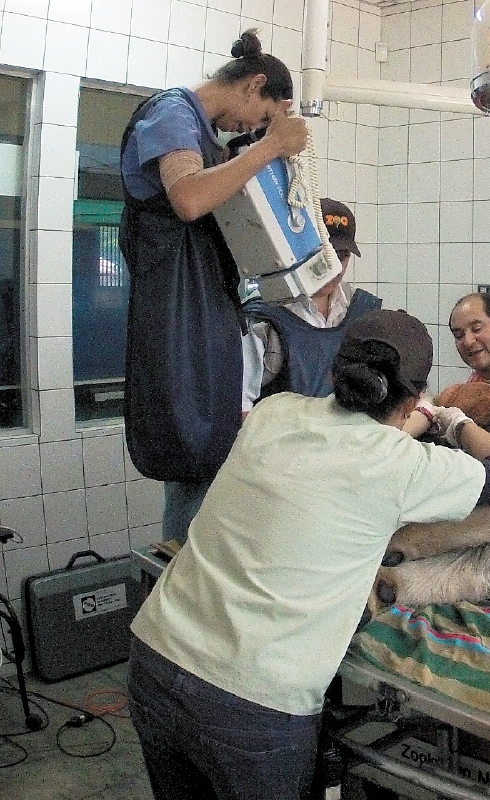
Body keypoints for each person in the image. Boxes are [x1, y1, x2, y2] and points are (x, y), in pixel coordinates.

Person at [126, 309, 490, 800]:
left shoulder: (273, 414)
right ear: (414, 395)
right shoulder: (404, 467)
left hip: (155, 654)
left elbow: (343, 451)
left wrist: (417, 419)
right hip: (253, 703)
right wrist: (454, 420)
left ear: (336, 372)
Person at [119, 29, 308, 543]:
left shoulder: (207, 139)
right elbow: (187, 199)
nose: (251, 129)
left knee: (210, 454)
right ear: (254, 86)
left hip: (206, 314)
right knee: (189, 447)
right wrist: (268, 147)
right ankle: (176, 591)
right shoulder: (173, 113)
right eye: (263, 115)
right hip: (175, 318)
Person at [241, 198, 382, 405]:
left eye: (342, 256)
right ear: (299, 249)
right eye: (325, 254)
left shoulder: (364, 311)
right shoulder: (262, 318)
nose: (333, 267)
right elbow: (240, 406)